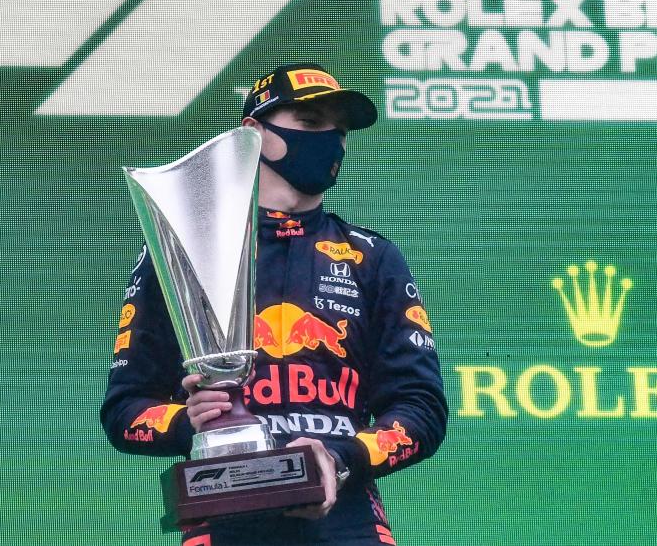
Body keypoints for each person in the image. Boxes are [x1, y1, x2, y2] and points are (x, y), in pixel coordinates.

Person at [102, 63, 448, 545]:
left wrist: (340, 457)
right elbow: (125, 411)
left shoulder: (373, 257)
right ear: (253, 133)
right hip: (220, 515)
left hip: (347, 522)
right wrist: (190, 423)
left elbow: (422, 410)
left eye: (339, 130)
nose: (330, 140)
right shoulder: (183, 253)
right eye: (309, 124)